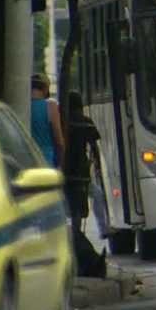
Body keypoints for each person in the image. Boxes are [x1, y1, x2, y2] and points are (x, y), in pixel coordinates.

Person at [64, 91, 101, 227]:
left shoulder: (63, 121)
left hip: (65, 168)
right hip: (81, 169)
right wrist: (97, 165)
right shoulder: (86, 122)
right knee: (96, 196)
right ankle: (103, 228)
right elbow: (94, 147)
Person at [30, 73, 65, 168]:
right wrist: (61, 163)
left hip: (24, 163)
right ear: (45, 88)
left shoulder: (20, 106)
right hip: (45, 163)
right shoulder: (51, 106)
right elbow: (59, 142)